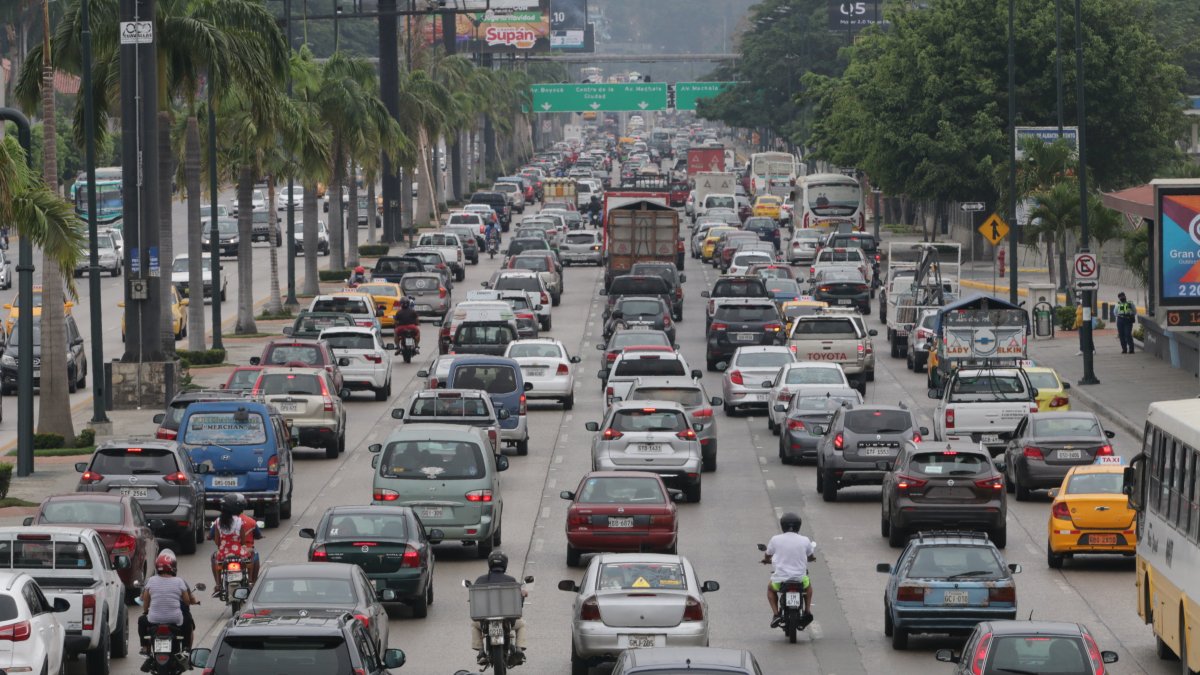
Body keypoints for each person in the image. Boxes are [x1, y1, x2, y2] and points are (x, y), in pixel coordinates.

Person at [470, 550, 527, 666]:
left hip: (485, 620)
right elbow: (518, 602)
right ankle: (519, 649)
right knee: (521, 625)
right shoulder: (511, 580)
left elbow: (475, 600)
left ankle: (481, 652)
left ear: (490, 563)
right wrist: (522, 595)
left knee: (474, 625)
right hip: (508, 619)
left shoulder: (480, 580)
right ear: (505, 564)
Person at [761, 512, 816, 628]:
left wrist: (766, 560)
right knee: (808, 588)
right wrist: (812, 558)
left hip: (781, 580)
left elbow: (768, 554)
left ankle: (776, 614)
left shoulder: (775, 539)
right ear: (798, 526)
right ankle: (807, 611)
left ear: (783, 525)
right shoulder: (805, 540)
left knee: (770, 589)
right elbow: (810, 555)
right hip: (800, 579)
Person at [139, 550, 198, 657]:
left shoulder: (151, 581)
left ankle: (145, 647)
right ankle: (186, 648)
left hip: (154, 620)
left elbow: (146, 601)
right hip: (175, 620)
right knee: (188, 620)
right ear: (173, 567)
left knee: (141, 620)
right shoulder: (179, 581)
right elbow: (187, 601)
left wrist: (146, 611)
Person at [208, 493, 262, 593]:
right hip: (238, 551)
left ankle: (218, 585)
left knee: (216, 559)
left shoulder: (218, 521)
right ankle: (250, 581)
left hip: (223, 553)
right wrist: (242, 546)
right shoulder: (240, 521)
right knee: (252, 554)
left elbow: (217, 541)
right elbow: (242, 540)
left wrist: (222, 547)